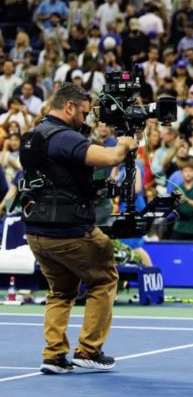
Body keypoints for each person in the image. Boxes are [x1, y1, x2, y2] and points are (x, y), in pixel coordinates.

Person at [19, 83, 137, 373]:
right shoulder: (63, 137)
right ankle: (89, 350)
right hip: (70, 231)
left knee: (60, 290)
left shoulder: (32, 136)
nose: (85, 120)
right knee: (104, 279)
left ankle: (54, 356)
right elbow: (110, 158)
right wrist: (125, 143)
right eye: (83, 113)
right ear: (69, 107)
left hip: (36, 232)